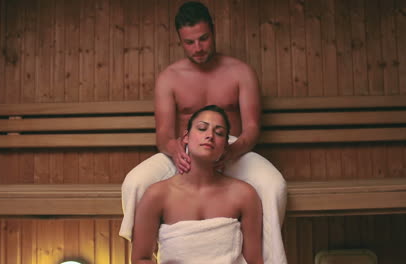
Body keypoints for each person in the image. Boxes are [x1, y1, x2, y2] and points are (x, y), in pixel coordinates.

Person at [120, 2, 288, 263]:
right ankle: (145, 254)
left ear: (213, 32)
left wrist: (232, 151)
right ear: (180, 40)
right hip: (183, 148)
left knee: (274, 185)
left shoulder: (240, 72)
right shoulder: (170, 78)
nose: (197, 48)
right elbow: (163, 134)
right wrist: (174, 149)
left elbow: (253, 127)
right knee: (135, 182)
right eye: (189, 42)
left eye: (203, 39)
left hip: (231, 145)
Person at [132, 105, 263, 264]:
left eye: (219, 133)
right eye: (202, 128)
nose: (210, 136)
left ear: (225, 146)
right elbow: (141, 259)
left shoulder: (244, 195)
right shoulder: (157, 195)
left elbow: (255, 261)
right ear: (186, 137)